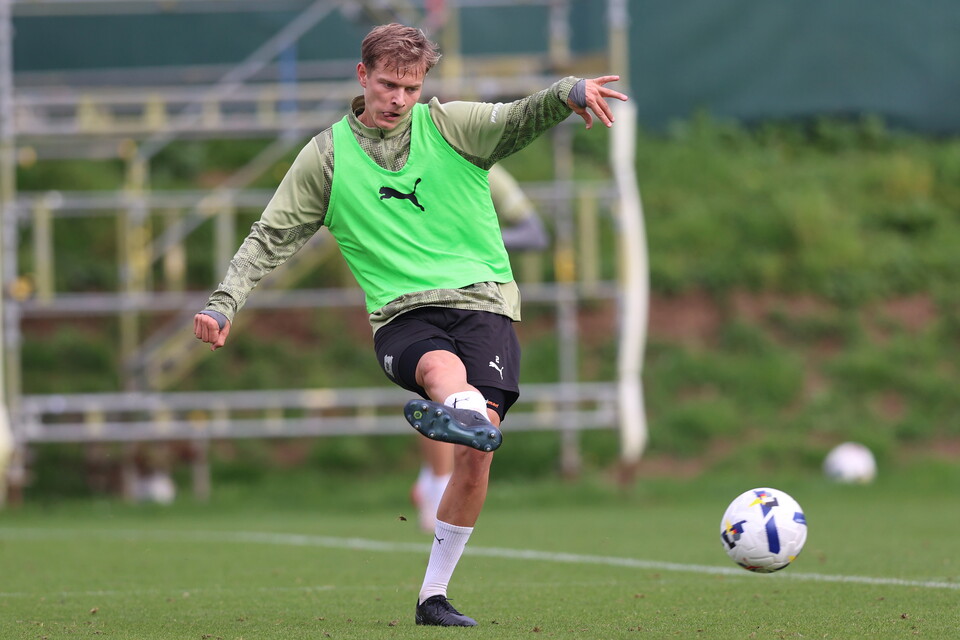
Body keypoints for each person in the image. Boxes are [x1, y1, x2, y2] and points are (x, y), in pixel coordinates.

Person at [193, 23, 628, 627]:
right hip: (401, 312)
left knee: (477, 458)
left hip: (483, 302)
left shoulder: (449, 126)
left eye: (411, 87)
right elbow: (271, 236)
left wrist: (569, 91)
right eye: (389, 84)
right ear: (362, 76)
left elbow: (519, 117)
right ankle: (466, 408)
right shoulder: (326, 157)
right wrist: (223, 302)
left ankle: (433, 596)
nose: (399, 98)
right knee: (435, 367)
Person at [410, 163, 547, 533]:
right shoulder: (403, 166)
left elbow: (535, 234)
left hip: (482, 301)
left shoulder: (486, 167)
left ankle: (436, 481)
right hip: (418, 297)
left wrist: (474, 242)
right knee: (435, 386)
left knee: (468, 403)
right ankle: (437, 481)